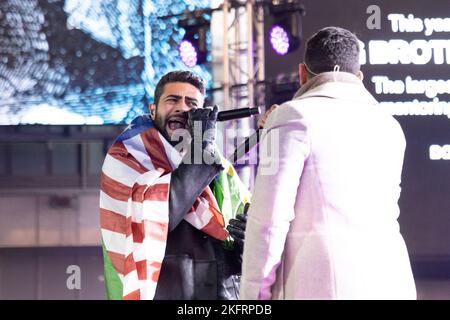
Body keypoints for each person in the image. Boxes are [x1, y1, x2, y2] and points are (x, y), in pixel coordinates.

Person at [240, 27, 417, 300]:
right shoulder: (390, 125)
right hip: (393, 283)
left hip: (321, 286)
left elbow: (268, 219)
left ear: (302, 74)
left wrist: (253, 296)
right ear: (359, 78)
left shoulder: (292, 116)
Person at [100, 70, 251, 300]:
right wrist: (201, 147)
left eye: (191, 103)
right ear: (153, 110)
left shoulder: (216, 162)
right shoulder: (127, 156)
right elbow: (159, 213)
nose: (182, 107)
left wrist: (246, 240)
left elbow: (237, 248)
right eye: (172, 100)